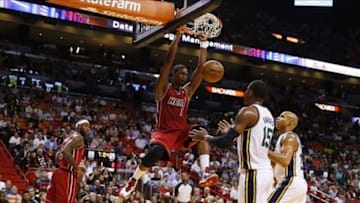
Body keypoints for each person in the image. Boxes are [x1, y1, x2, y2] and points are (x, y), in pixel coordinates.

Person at [119, 29, 218, 198]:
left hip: (180, 133)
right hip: (163, 133)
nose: (185, 76)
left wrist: (203, 43)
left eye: (186, 74)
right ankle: (133, 181)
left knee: (201, 131)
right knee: (154, 154)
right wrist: (178, 36)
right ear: (174, 74)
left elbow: (201, 69)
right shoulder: (164, 88)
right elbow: (168, 61)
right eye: (181, 73)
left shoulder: (186, 92)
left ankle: (206, 171)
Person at [190, 80, 275, 203]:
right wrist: (233, 135)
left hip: (254, 173)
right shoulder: (268, 115)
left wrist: (205, 137)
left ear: (250, 92)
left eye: (246, 90)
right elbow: (250, 146)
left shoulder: (248, 112)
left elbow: (225, 142)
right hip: (265, 172)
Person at [46, 119, 90, 203]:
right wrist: (77, 168)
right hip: (67, 174)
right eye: (86, 126)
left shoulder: (69, 137)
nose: (88, 128)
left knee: (52, 200)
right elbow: (65, 151)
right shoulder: (79, 137)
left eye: (89, 126)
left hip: (58, 172)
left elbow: (57, 155)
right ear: (79, 127)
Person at [267, 111, 308, 203]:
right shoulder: (283, 138)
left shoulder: (289, 137)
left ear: (290, 123)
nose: (278, 118)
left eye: (282, 117)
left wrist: (263, 150)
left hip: (290, 181)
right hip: (294, 183)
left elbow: (285, 160)